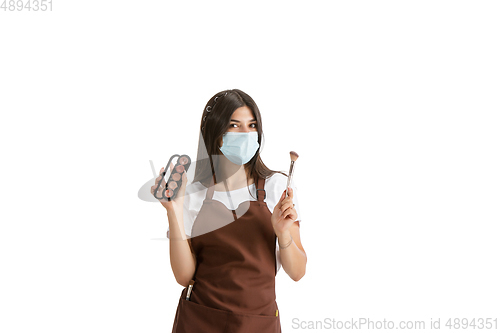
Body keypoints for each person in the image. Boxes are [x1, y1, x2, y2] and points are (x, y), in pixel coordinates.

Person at [151, 89, 307, 332]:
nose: (246, 134)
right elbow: (184, 277)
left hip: (258, 323)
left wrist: (283, 233)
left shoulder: (278, 188)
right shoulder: (192, 192)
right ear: (215, 133)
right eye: (234, 125)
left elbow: (297, 272)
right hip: (200, 321)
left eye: (252, 125)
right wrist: (174, 210)